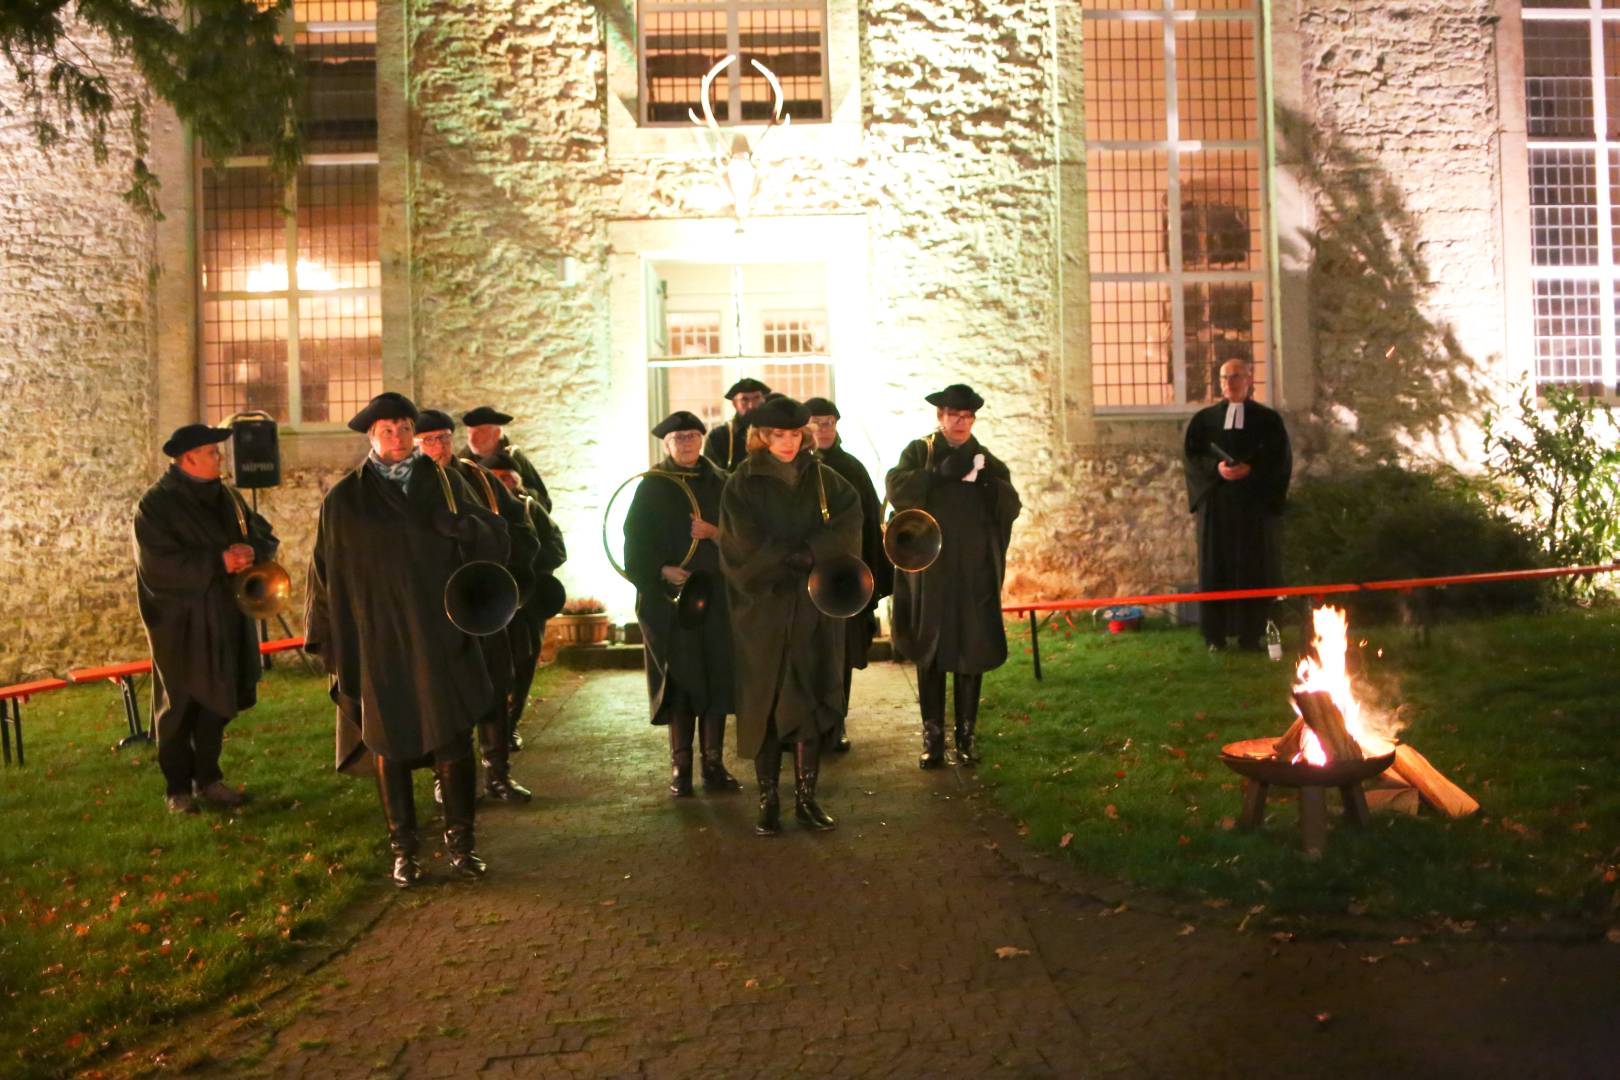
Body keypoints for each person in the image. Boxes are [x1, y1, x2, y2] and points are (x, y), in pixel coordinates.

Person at [305, 392, 510, 888]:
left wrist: (463, 527)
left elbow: (496, 536)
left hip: (440, 634)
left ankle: (462, 846)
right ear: (372, 437)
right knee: (388, 740)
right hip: (379, 640)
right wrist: (331, 639)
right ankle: (404, 851)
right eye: (387, 430)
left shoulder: (445, 482)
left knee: (451, 736)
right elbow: (325, 573)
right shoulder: (345, 500)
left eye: (403, 428)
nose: (397, 438)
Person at [719, 395, 862, 835]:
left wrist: (813, 552)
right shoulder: (742, 484)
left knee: (809, 699)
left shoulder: (825, 480)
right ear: (761, 436)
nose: (787, 443)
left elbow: (849, 521)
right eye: (777, 435)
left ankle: (806, 799)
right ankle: (768, 800)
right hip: (762, 611)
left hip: (812, 609)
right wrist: (786, 558)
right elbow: (739, 543)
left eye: (794, 434)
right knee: (765, 702)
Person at [133, 423, 280, 814]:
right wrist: (218, 561)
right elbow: (157, 566)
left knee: (219, 700)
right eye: (213, 452)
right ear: (188, 458)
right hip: (181, 623)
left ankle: (209, 779)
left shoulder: (228, 497)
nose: (220, 458)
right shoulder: (155, 505)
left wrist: (252, 551)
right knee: (181, 704)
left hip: (226, 614)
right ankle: (177, 788)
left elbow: (262, 534)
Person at [886, 384, 1021, 769]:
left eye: (966, 416)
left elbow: (1010, 505)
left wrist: (989, 486)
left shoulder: (985, 460)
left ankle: (966, 736)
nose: (959, 422)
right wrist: (937, 477)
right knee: (931, 649)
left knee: (971, 648)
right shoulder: (920, 452)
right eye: (953, 415)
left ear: (973, 420)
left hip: (974, 572)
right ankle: (932, 737)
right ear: (940, 417)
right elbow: (897, 489)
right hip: (932, 571)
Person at [415, 410, 540, 802]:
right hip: (437, 607)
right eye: (429, 440)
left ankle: (498, 774)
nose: (438, 447)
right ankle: (446, 779)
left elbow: (521, 527)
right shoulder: (412, 485)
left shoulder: (480, 478)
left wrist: (509, 578)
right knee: (446, 694)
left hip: (485, 600)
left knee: (494, 686)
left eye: (443, 438)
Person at [623, 411, 741, 796]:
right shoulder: (653, 487)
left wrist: (715, 533)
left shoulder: (723, 483)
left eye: (693, 435)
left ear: (702, 439)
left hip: (717, 600)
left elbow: (744, 538)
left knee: (716, 677)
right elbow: (634, 541)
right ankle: (681, 766)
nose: (687, 442)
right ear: (667, 444)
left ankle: (713, 762)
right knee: (681, 680)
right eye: (679, 437)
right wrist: (661, 570)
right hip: (671, 603)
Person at [1181, 359, 1292, 651]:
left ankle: (1251, 634)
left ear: (1249, 378)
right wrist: (1216, 469)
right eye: (1224, 377)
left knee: (1255, 567)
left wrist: (1251, 470)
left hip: (1253, 508)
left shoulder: (1268, 421)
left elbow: (1279, 460)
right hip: (1217, 508)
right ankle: (1215, 636)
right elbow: (1191, 458)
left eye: (1236, 376)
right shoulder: (1204, 421)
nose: (1229, 382)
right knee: (1216, 567)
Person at [804, 396, 893, 753]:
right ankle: (807, 724)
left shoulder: (852, 469)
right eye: (817, 422)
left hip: (844, 581)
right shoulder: (797, 468)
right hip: (805, 577)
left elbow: (870, 526)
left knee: (839, 654)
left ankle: (836, 722)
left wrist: (867, 585)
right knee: (807, 654)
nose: (824, 429)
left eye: (829, 422)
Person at [486, 451, 567, 749]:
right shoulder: (479, 510)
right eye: (497, 478)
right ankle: (492, 732)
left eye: (508, 478)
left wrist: (526, 567)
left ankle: (511, 726)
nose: (504, 483)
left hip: (528, 603)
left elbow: (557, 548)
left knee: (524, 663)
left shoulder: (532, 510)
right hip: (494, 605)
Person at [461, 405, 552, 512]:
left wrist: (517, 490)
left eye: (480, 432)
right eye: (469, 433)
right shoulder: (463, 461)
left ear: (497, 434)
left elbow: (544, 503)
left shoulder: (513, 457)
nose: (472, 439)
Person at [702, 378, 770, 470]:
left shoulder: (773, 433)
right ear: (734, 403)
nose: (751, 405)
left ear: (763, 400)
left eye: (756, 398)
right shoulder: (718, 437)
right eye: (744, 400)